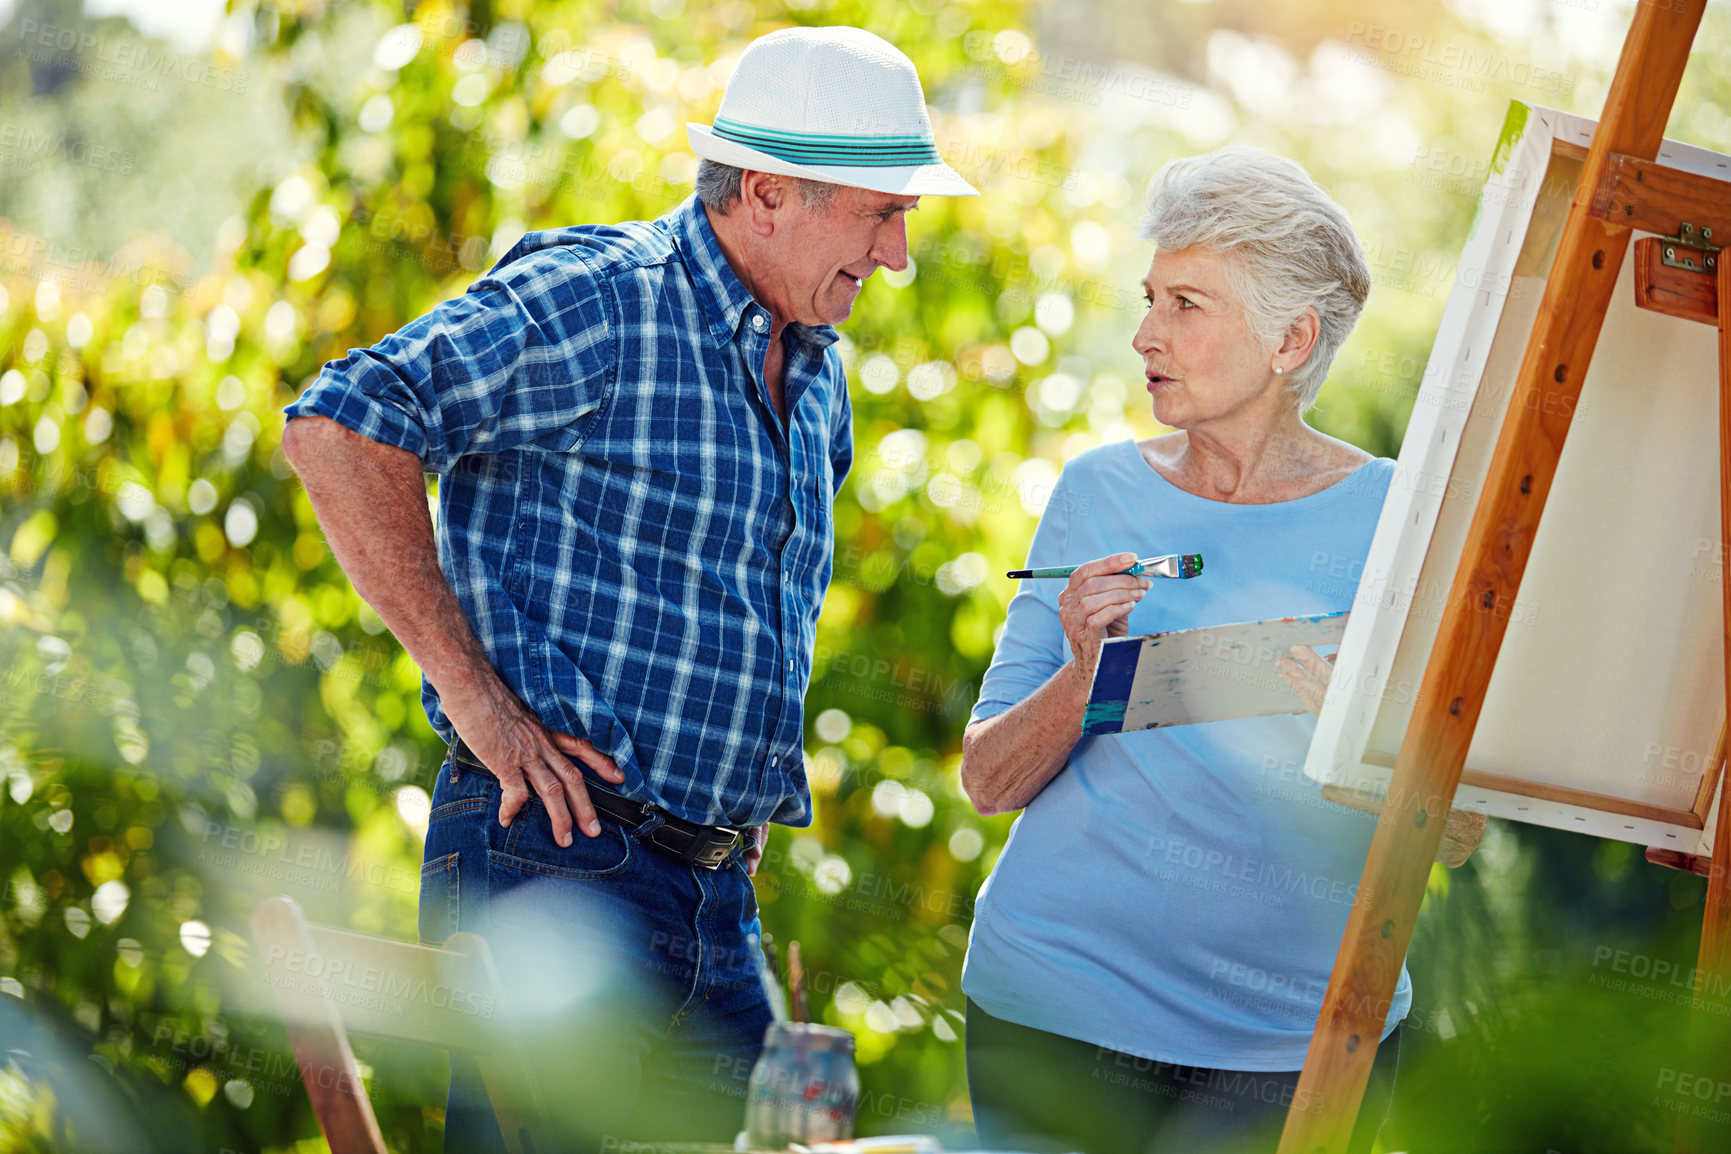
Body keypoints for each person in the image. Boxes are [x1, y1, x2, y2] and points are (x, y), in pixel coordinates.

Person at [280, 26, 976, 1151]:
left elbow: (744, 605)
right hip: (556, 859)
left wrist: (736, 803)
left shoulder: (817, 375)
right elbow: (339, 423)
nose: (898, 254)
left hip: (714, 892)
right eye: (880, 213)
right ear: (766, 192)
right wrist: (476, 699)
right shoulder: (604, 299)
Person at [955, 145, 1484, 1154]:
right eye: (1151, 297)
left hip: (1298, 1044)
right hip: (1055, 1010)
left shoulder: (1404, 521)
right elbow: (987, 776)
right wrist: (1085, 673)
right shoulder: (1098, 492)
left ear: (1290, 339)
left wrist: (1358, 745)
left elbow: (1457, 832)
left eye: (1187, 305)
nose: (1145, 333)